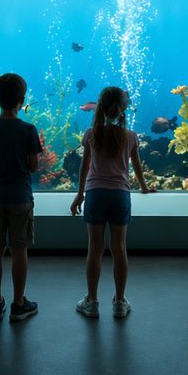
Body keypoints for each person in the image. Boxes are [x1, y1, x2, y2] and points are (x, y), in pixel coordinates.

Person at [70, 86, 153, 318]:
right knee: (120, 249)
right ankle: (119, 302)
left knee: (95, 249)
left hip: (95, 194)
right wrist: (144, 188)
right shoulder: (130, 136)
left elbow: (84, 167)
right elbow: (136, 167)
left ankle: (92, 301)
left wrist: (80, 194)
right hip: (120, 195)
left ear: (101, 108)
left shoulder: (90, 134)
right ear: (122, 109)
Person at [0, 73, 42, 323]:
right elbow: (34, 166)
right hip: (20, 197)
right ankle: (19, 303)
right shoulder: (28, 129)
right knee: (19, 249)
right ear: (22, 100)